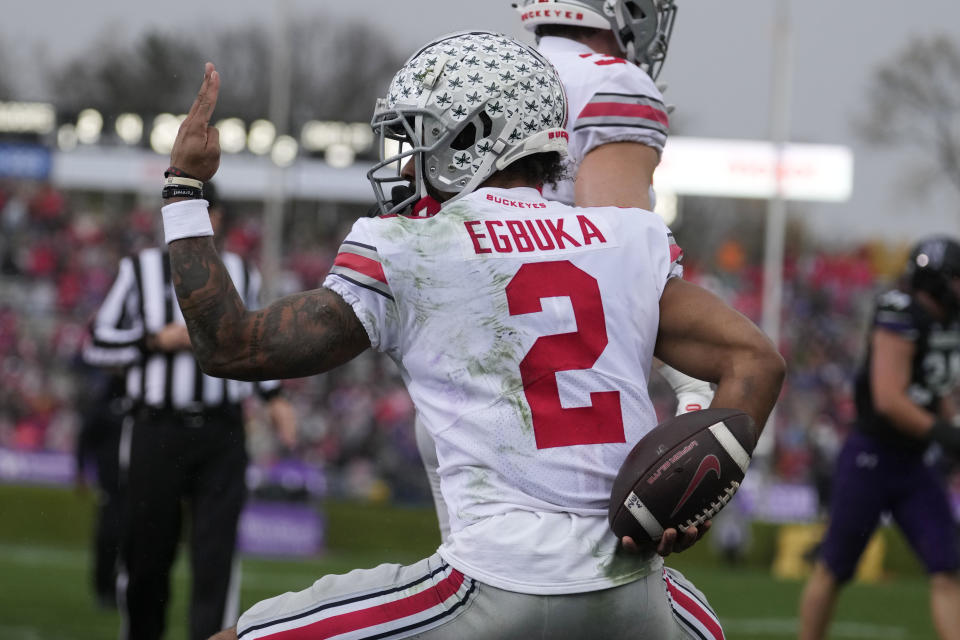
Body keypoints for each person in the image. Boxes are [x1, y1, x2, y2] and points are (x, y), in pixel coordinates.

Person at [164, 33, 783, 640]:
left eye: (422, 135)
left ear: (473, 139)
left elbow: (231, 345)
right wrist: (702, 491)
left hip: (493, 584)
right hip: (634, 591)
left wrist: (186, 190)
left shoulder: (410, 247)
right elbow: (754, 359)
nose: (409, 158)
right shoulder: (627, 237)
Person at [415, 0, 711, 543]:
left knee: (480, 600)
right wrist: (691, 384)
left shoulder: (491, 79)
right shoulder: (615, 83)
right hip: (562, 409)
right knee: (590, 603)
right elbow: (618, 250)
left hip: (457, 396)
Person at [87, 181, 298, 640]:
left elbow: (256, 347)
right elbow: (96, 342)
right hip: (155, 427)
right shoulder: (139, 269)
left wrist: (274, 397)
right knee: (146, 553)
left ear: (216, 218)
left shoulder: (242, 272)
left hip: (221, 434)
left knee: (216, 558)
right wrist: (153, 340)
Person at [798, 236, 960, 640]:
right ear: (937, 281)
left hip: (913, 462)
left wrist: (951, 426)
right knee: (834, 567)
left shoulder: (944, 322)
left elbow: (935, 387)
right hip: (871, 457)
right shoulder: (899, 310)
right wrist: (945, 433)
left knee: (947, 565)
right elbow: (889, 398)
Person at [73, 366, 130, 609]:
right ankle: (103, 587)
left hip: (138, 483)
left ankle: (123, 588)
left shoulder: (140, 402)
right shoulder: (105, 404)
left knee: (134, 538)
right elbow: (85, 437)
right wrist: (81, 470)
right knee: (109, 535)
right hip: (111, 483)